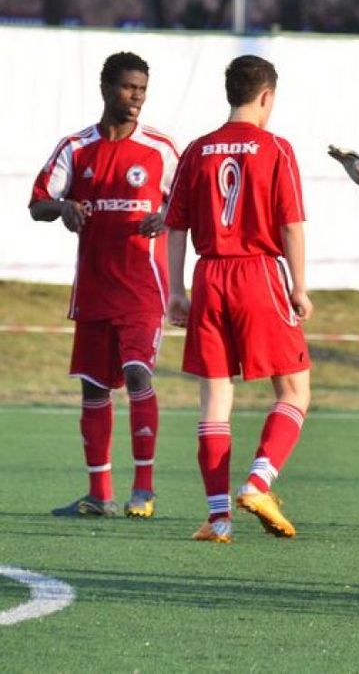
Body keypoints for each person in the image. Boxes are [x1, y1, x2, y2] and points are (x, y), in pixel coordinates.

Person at [164, 55, 313, 544]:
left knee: (214, 401)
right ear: (267, 96)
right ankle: (258, 481)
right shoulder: (275, 148)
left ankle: (218, 518)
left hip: (210, 276)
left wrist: (177, 290)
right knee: (294, 390)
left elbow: (175, 226)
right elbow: (291, 224)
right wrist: (298, 285)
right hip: (259, 273)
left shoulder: (197, 150)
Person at [29, 51, 178, 519]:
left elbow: (189, 203)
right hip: (94, 289)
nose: (137, 98)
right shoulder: (76, 147)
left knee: (137, 373)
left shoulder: (160, 149)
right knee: (93, 389)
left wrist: (167, 216)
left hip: (143, 288)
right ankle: (99, 495)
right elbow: (37, 203)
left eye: (142, 89)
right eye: (129, 88)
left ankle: (145, 491)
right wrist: (65, 208)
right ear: (106, 88)